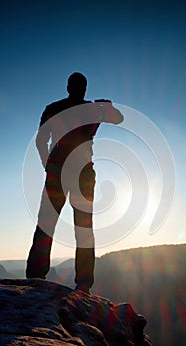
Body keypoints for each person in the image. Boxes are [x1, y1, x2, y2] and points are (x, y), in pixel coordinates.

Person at [26, 72, 123, 293]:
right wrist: (108, 106)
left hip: (58, 172)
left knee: (46, 224)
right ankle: (84, 284)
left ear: (68, 87)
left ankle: (35, 276)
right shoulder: (92, 109)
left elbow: (41, 140)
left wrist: (47, 165)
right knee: (84, 227)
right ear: (83, 88)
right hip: (82, 174)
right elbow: (118, 119)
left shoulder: (53, 108)